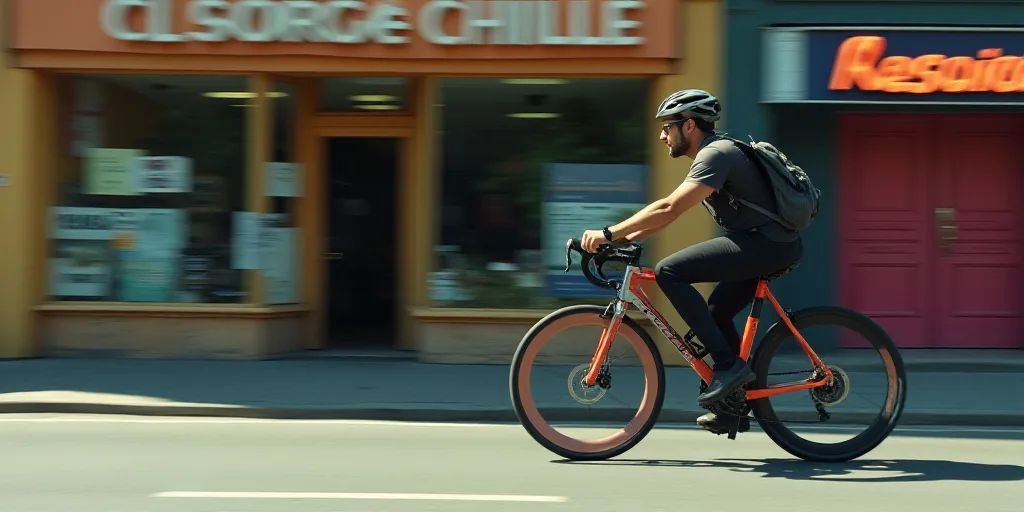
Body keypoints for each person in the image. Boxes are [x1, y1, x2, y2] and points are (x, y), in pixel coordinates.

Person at [579, 89, 803, 435]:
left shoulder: (716, 155)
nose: (662, 135)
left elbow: (668, 208)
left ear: (690, 126)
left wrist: (609, 233)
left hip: (766, 244)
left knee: (671, 271)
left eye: (668, 126)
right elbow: (667, 216)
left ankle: (729, 368)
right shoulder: (713, 155)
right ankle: (732, 407)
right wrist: (623, 240)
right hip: (765, 243)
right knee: (715, 313)